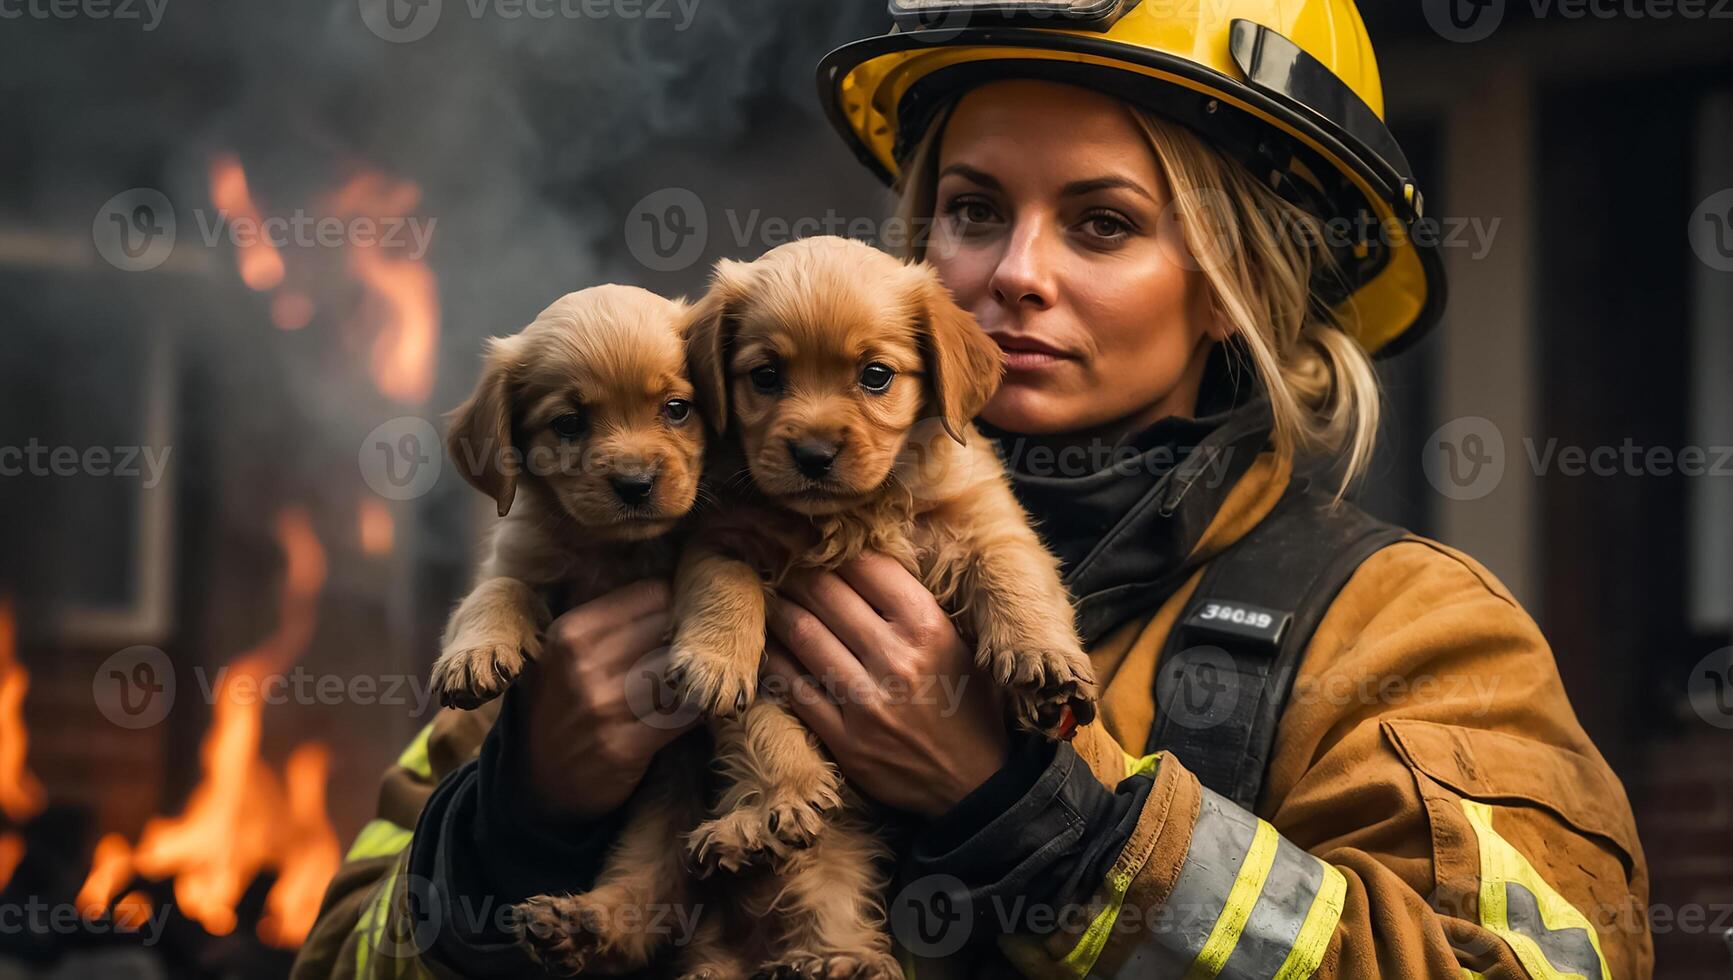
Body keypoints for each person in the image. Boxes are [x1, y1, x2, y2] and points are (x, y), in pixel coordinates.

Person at [293, 2, 1654, 977]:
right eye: (971, 209)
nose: (1009, 274)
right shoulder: (638, 559)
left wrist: (1044, 816)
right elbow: (343, 954)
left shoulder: (1402, 632)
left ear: (1242, 290)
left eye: (1103, 223)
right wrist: (526, 815)